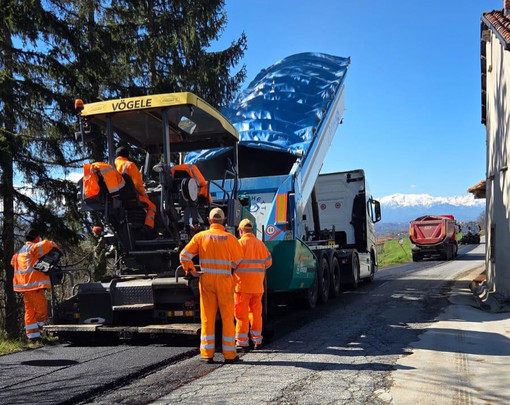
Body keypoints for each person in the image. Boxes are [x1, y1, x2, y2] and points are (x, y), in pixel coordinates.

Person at [179, 208, 243, 363]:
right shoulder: (230, 238)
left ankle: (207, 354)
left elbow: (184, 255)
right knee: (227, 317)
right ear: (224, 221)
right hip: (224, 281)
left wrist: (192, 270)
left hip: (206, 280)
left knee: (207, 317)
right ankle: (229, 355)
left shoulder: (200, 237)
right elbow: (237, 261)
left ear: (209, 221)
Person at [11, 229, 59, 342]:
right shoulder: (33, 248)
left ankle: (32, 337)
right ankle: (40, 327)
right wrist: (53, 244)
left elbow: (12, 263)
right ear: (36, 238)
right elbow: (48, 244)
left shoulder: (18, 253)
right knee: (41, 309)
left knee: (30, 311)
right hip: (34, 285)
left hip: (23, 286)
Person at [234, 219, 272, 350]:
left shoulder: (239, 244)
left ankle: (242, 342)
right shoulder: (260, 244)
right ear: (252, 230)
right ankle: (257, 340)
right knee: (256, 314)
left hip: (242, 287)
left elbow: (233, 264)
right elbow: (269, 262)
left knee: (241, 314)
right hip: (257, 287)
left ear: (240, 231)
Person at [114, 146, 156, 229]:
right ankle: (148, 227)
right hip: (132, 197)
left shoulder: (111, 166)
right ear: (127, 155)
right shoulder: (129, 165)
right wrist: (144, 194)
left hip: (117, 199)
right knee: (152, 206)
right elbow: (137, 184)